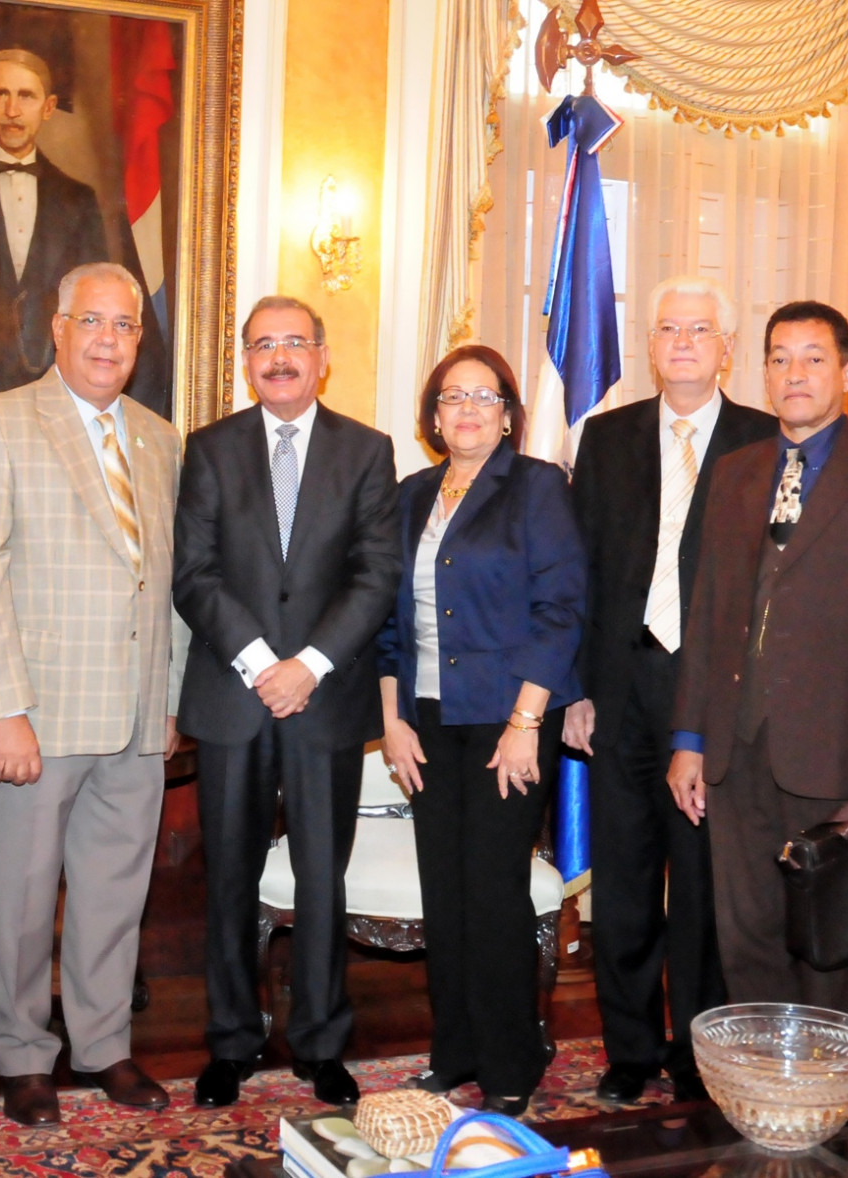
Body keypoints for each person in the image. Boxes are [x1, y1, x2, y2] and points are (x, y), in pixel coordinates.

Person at [0, 262, 188, 1125]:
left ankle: (104, 1045)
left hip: (135, 715)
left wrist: (167, 698)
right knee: (20, 895)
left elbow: (166, 583)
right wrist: (4, 710)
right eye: (92, 321)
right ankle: (22, 1054)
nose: (108, 340)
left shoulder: (160, 439)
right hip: (36, 716)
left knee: (116, 895)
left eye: (124, 326)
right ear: (57, 328)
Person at [666, 300, 848, 1024]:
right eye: (780, 359)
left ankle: (837, 1086)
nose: (795, 373)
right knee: (749, 940)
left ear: (847, 373)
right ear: (763, 373)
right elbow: (708, 615)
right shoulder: (734, 473)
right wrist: (689, 739)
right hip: (735, 755)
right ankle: (765, 1082)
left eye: (814, 358)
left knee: (836, 952)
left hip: (843, 758)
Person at [173, 295, 400, 1108]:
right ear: (246, 362)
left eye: (294, 342)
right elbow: (193, 573)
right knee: (230, 878)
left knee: (321, 878)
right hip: (233, 697)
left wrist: (307, 664)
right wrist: (261, 661)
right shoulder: (209, 449)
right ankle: (232, 1041)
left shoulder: (368, 451)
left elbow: (377, 573)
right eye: (263, 344)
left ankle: (321, 1044)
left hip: (325, 700)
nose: (279, 357)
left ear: (322, 357)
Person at [564, 276, 776, 1104]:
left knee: (702, 885)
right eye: (667, 329)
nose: (682, 342)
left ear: (728, 348)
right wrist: (577, 689)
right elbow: (581, 572)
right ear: (649, 347)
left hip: (716, 696)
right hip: (619, 689)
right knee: (623, 884)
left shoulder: (764, 439)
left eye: (699, 329)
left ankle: (695, 1052)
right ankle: (629, 1050)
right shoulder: (606, 436)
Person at [376, 345, 585, 1115]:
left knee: (494, 894)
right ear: (433, 416)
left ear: (506, 416)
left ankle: (509, 1064)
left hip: (509, 719)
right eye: (452, 397)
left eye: (484, 396)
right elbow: (389, 625)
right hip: (427, 722)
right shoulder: (409, 496)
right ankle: (454, 1052)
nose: (467, 409)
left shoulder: (536, 487)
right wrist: (393, 721)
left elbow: (561, 610)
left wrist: (527, 722)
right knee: (446, 893)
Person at [0, 48, 168, 466]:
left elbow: (96, 302)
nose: (13, 110)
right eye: (1, 94)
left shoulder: (78, 200)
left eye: (26, 96)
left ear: (48, 107)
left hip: (55, 408)